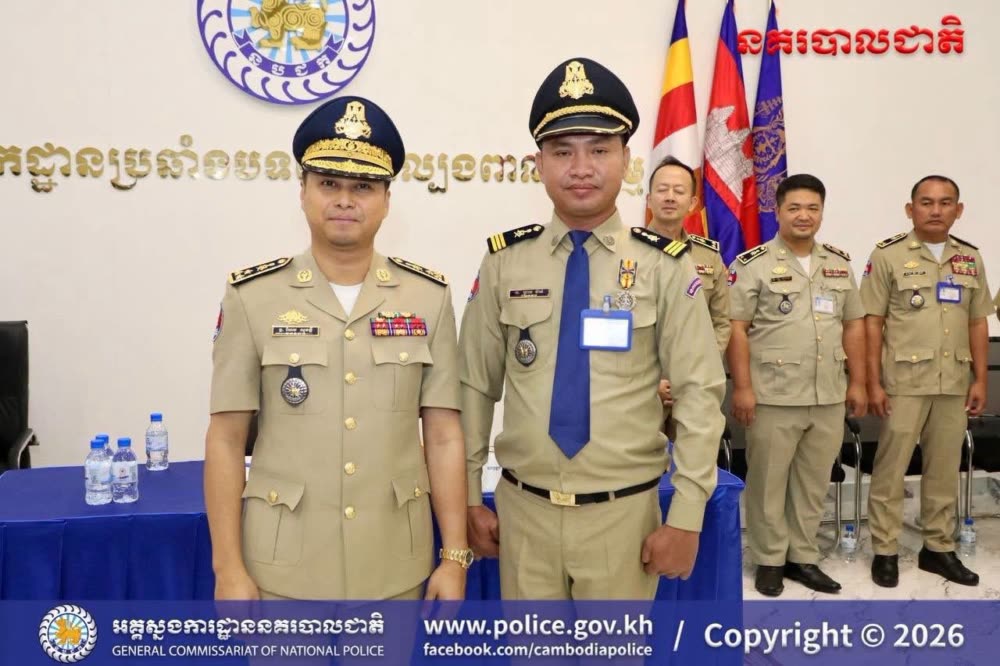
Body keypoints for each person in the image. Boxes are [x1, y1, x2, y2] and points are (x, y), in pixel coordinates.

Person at [459, 57, 725, 600]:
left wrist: (688, 515)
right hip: (522, 514)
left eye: (599, 150)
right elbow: (473, 387)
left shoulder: (664, 267)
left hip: (624, 518)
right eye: (562, 152)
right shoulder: (505, 263)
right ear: (539, 164)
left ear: (626, 160)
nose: (581, 167)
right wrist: (467, 493)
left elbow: (699, 393)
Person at [204, 95, 472, 602]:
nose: (345, 200)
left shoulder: (428, 297)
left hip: (393, 566)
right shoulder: (252, 297)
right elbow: (225, 439)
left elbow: (442, 436)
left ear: (387, 200)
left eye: (363, 187)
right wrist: (228, 569)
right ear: (302, 191)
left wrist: (454, 557)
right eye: (329, 183)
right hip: (281, 568)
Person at [727, 174, 867, 597]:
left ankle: (802, 557)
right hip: (774, 394)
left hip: (828, 393)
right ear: (777, 211)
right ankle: (770, 559)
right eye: (794, 208)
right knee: (768, 481)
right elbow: (736, 328)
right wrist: (742, 388)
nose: (804, 216)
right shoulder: (752, 264)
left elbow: (853, 325)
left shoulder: (838, 264)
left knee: (813, 481)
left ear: (821, 212)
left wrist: (858, 382)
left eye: (812, 208)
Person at [862, 175, 992, 588]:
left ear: (959, 210)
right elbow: (872, 322)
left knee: (944, 469)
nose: (936, 210)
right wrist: (873, 382)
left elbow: (977, 321)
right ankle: (885, 549)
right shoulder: (887, 255)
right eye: (926, 202)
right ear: (910, 209)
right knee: (891, 469)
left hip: (953, 381)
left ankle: (938, 547)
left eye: (945, 202)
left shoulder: (970, 258)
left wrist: (980, 379)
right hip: (904, 382)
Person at [647, 155, 731, 422]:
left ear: (693, 203)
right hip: (641, 391)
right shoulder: (627, 253)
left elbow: (721, 322)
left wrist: (696, 372)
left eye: (679, 191)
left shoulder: (709, 256)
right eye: (662, 190)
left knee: (695, 449)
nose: (670, 197)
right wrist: (650, 381)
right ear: (649, 200)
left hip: (695, 386)